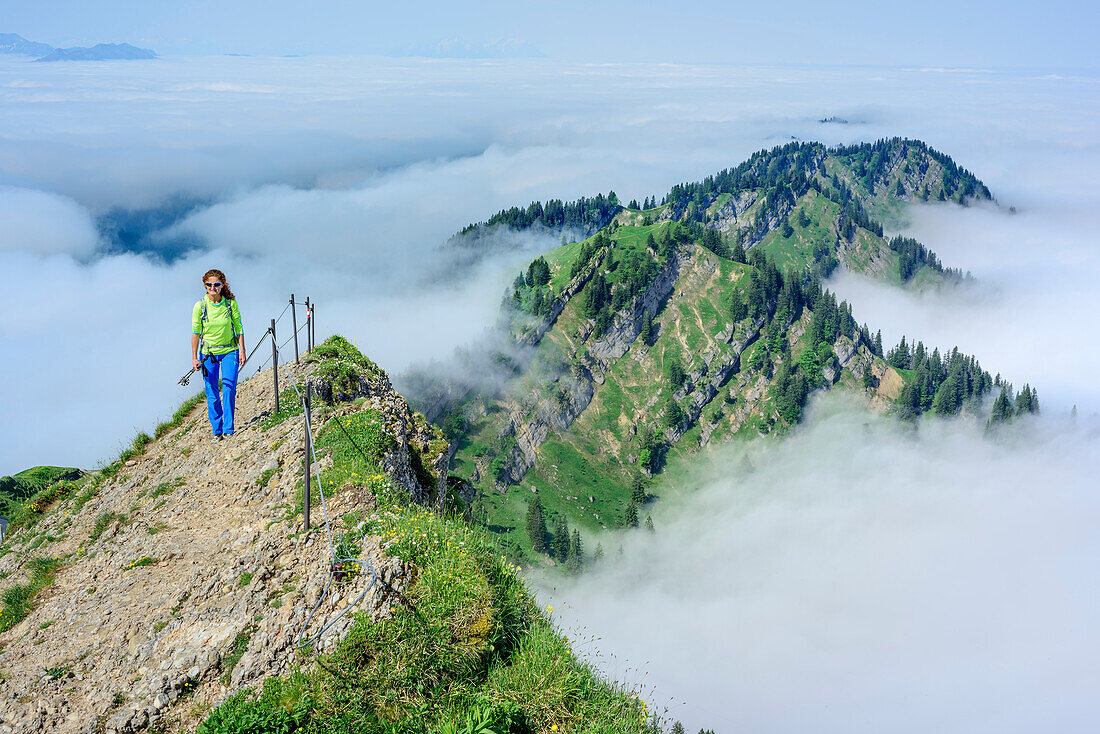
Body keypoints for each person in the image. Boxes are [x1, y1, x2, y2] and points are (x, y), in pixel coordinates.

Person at [191, 269, 246, 441]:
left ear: (223, 285)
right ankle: (217, 430)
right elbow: (195, 333)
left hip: (230, 350)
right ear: (204, 285)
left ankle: (228, 429)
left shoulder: (230, 304)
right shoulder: (200, 306)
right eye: (209, 284)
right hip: (208, 354)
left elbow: (239, 327)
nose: (212, 288)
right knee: (212, 391)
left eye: (216, 284)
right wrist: (194, 357)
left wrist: (242, 350)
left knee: (229, 388)